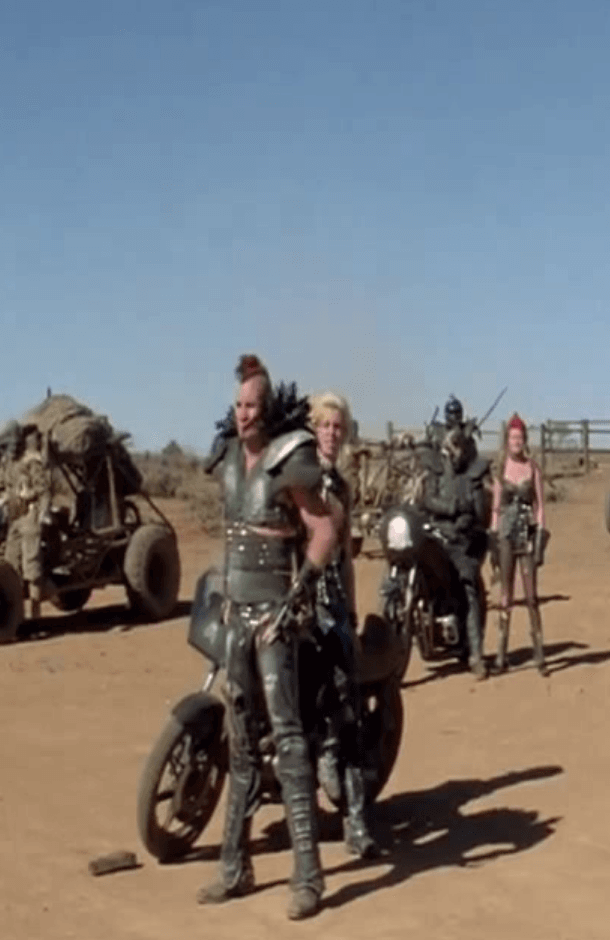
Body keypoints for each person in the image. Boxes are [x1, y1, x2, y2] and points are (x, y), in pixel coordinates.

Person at [197, 354, 341, 920]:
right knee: (240, 741)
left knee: (288, 739)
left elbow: (324, 527)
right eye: (238, 405)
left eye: (252, 405)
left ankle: (308, 877)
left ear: (267, 407)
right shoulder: (229, 459)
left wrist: (298, 592)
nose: (243, 414)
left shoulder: (289, 459)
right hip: (235, 616)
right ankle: (234, 868)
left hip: (273, 620)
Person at [307, 391, 385, 860]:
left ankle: (356, 823)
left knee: (348, 705)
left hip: (333, 600)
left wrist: (351, 611)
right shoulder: (296, 476)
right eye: (325, 425)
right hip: (297, 598)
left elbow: (345, 558)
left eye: (338, 427)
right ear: (313, 428)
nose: (332, 434)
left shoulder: (343, 486)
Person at [422, 420, 493, 679]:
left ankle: (476, 655)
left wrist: (465, 521)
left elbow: (479, 512)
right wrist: (453, 507)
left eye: (456, 448)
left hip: (463, 541)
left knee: (468, 586)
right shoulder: (435, 471)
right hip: (436, 535)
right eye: (448, 449)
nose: (452, 454)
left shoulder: (474, 475)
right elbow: (428, 500)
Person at [490, 413, 548, 676]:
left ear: (525, 440)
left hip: (526, 536)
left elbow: (540, 506)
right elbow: (495, 507)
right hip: (505, 536)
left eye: (520, 437)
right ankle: (501, 656)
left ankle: (539, 655)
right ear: (507, 440)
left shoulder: (532, 468)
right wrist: (493, 537)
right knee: (506, 596)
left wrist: (540, 536)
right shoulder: (501, 468)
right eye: (513, 437)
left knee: (532, 596)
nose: (516, 441)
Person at [3, 426, 52, 608]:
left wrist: (41, 510)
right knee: (11, 564)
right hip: (15, 518)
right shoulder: (9, 465)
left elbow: (44, 490)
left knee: (32, 567)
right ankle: (17, 611)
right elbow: (3, 486)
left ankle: (35, 611)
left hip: (30, 517)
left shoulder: (31, 462)